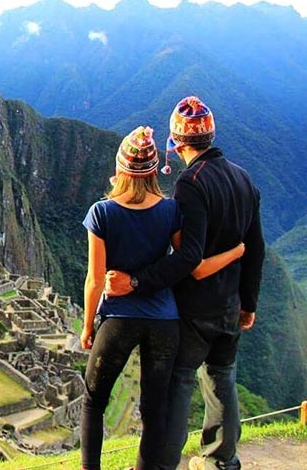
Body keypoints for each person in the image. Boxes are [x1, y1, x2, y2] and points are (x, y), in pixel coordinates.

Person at [105, 97, 265, 470]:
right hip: (228, 305)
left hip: (195, 309)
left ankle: (162, 464)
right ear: (210, 136)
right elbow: (254, 247)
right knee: (222, 379)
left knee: (180, 383)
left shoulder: (191, 183)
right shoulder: (244, 178)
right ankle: (222, 460)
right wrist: (249, 303)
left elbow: (189, 258)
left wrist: (137, 281)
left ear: (176, 144)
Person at [79, 126, 244, 470]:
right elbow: (185, 261)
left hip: (120, 320)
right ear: (154, 170)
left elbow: (95, 279)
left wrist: (87, 326)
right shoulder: (171, 211)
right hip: (164, 323)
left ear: (120, 169)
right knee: (155, 410)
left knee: (94, 402)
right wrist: (238, 251)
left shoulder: (102, 213)